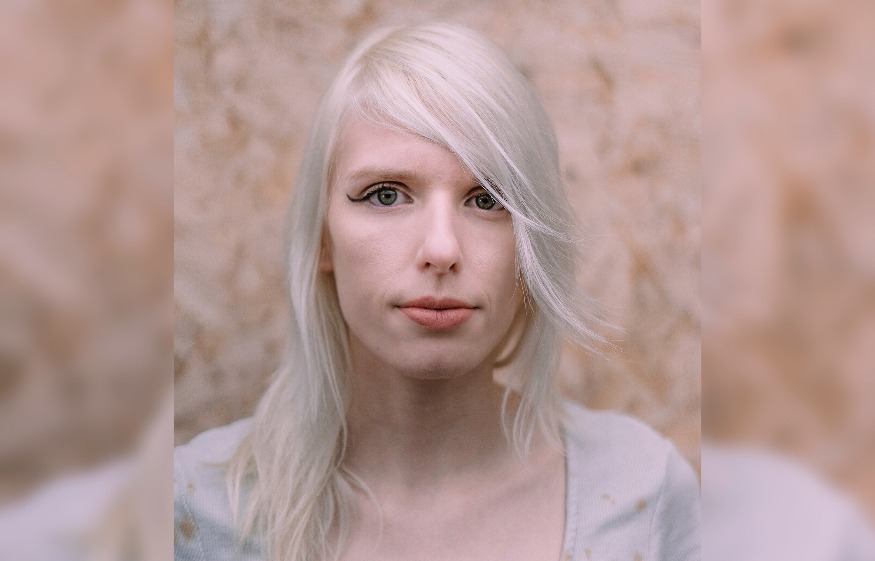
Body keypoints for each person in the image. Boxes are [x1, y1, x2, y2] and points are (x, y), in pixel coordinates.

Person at [174, 22, 700, 561]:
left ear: (531, 246)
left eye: (488, 199)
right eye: (385, 195)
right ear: (322, 236)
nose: (442, 248)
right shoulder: (197, 511)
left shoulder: (642, 499)